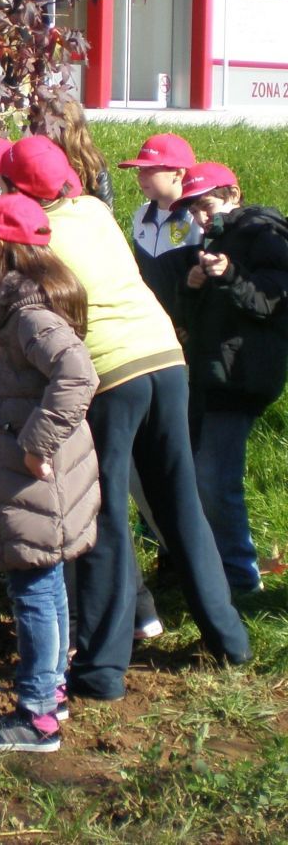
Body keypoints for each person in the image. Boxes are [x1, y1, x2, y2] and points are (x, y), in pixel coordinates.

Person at [0, 135, 250, 700]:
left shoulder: (38, 233)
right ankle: (230, 640)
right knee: (180, 504)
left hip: (110, 374)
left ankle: (103, 669)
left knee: (102, 518)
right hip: (163, 358)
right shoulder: (97, 211)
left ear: (17, 189)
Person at [0, 196, 100, 753]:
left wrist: (35, 444)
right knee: (45, 581)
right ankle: (50, 697)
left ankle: (35, 717)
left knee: (31, 587)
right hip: (38, 479)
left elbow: (77, 375)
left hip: (32, 478)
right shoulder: (26, 301)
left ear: (0, 249)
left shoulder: (28, 313)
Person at [162, 161, 288, 594]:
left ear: (234, 195)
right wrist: (194, 286)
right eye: (194, 210)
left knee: (215, 478)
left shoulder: (263, 233)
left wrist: (229, 274)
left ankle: (240, 576)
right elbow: (196, 317)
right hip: (213, 371)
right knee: (201, 474)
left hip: (242, 374)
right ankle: (214, 571)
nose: (201, 216)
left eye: (208, 205)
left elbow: (269, 303)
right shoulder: (215, 240)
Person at [117, 133, 201, 305]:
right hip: (150, 319)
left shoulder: (197, 219)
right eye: (140, 170)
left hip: (187, 322)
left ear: (178, 173)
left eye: (151, 169)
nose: (141, 176)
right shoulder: (141, 214)